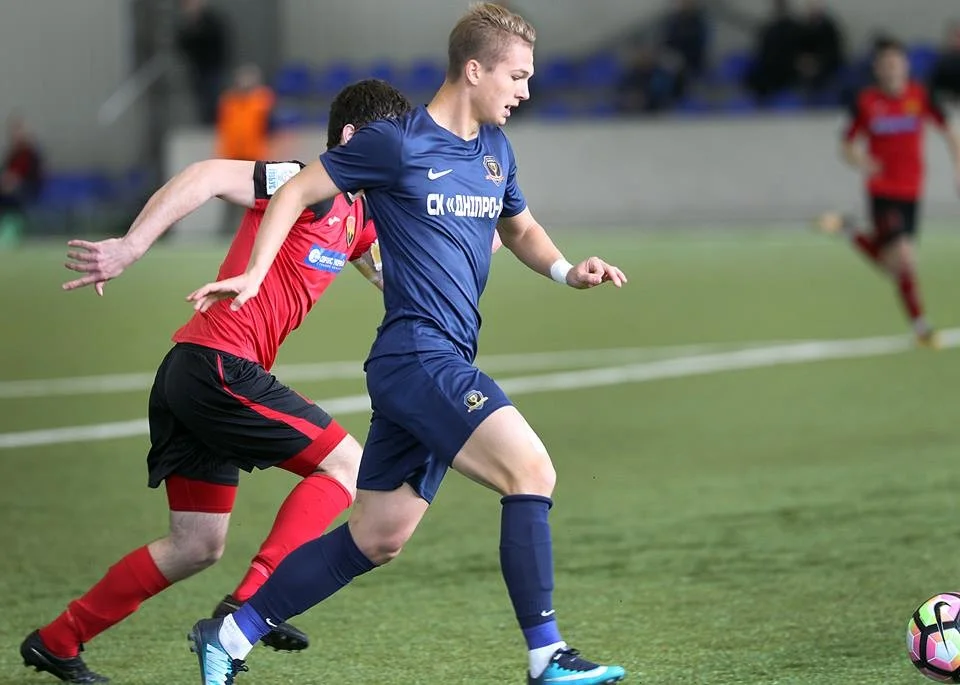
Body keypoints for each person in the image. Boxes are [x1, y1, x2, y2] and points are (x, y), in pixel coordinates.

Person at [186, 4, 628, 684]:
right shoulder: (395, 143)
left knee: (377, 535)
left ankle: (230, 633)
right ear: (474, 70)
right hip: (418, 356)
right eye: (517, 76)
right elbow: (296, 190)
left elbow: (519, 228)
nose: (526, 90)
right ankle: (547, 655)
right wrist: (253, 271)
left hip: (437, 360)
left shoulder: (496, 151)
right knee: (531, 472)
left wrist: (568, 271)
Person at [19, 79, 412, 684]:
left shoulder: (356, 213)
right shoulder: (301, 183)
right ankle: (250, 604)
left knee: (195, 544)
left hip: (196, 371)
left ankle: (58, 640)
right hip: (217, 367)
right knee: (346, 466)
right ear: (353, 138)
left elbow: (382, 266)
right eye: (391, 142)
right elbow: (205, 175)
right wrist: (131, 246)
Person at [818, 37, 960, 347]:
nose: (892, 69)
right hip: (882, 191)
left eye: (896, 63)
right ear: (878, 69)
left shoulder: (920, 96)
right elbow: (846, 144)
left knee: (893, 266)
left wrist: (958, 167)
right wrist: (861, 160)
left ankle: (850, 230)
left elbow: (949, 130)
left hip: (912, 191)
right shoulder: (867, 102)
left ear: (906, 66)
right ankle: (922, 328)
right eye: (886, 64)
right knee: (905, 259)